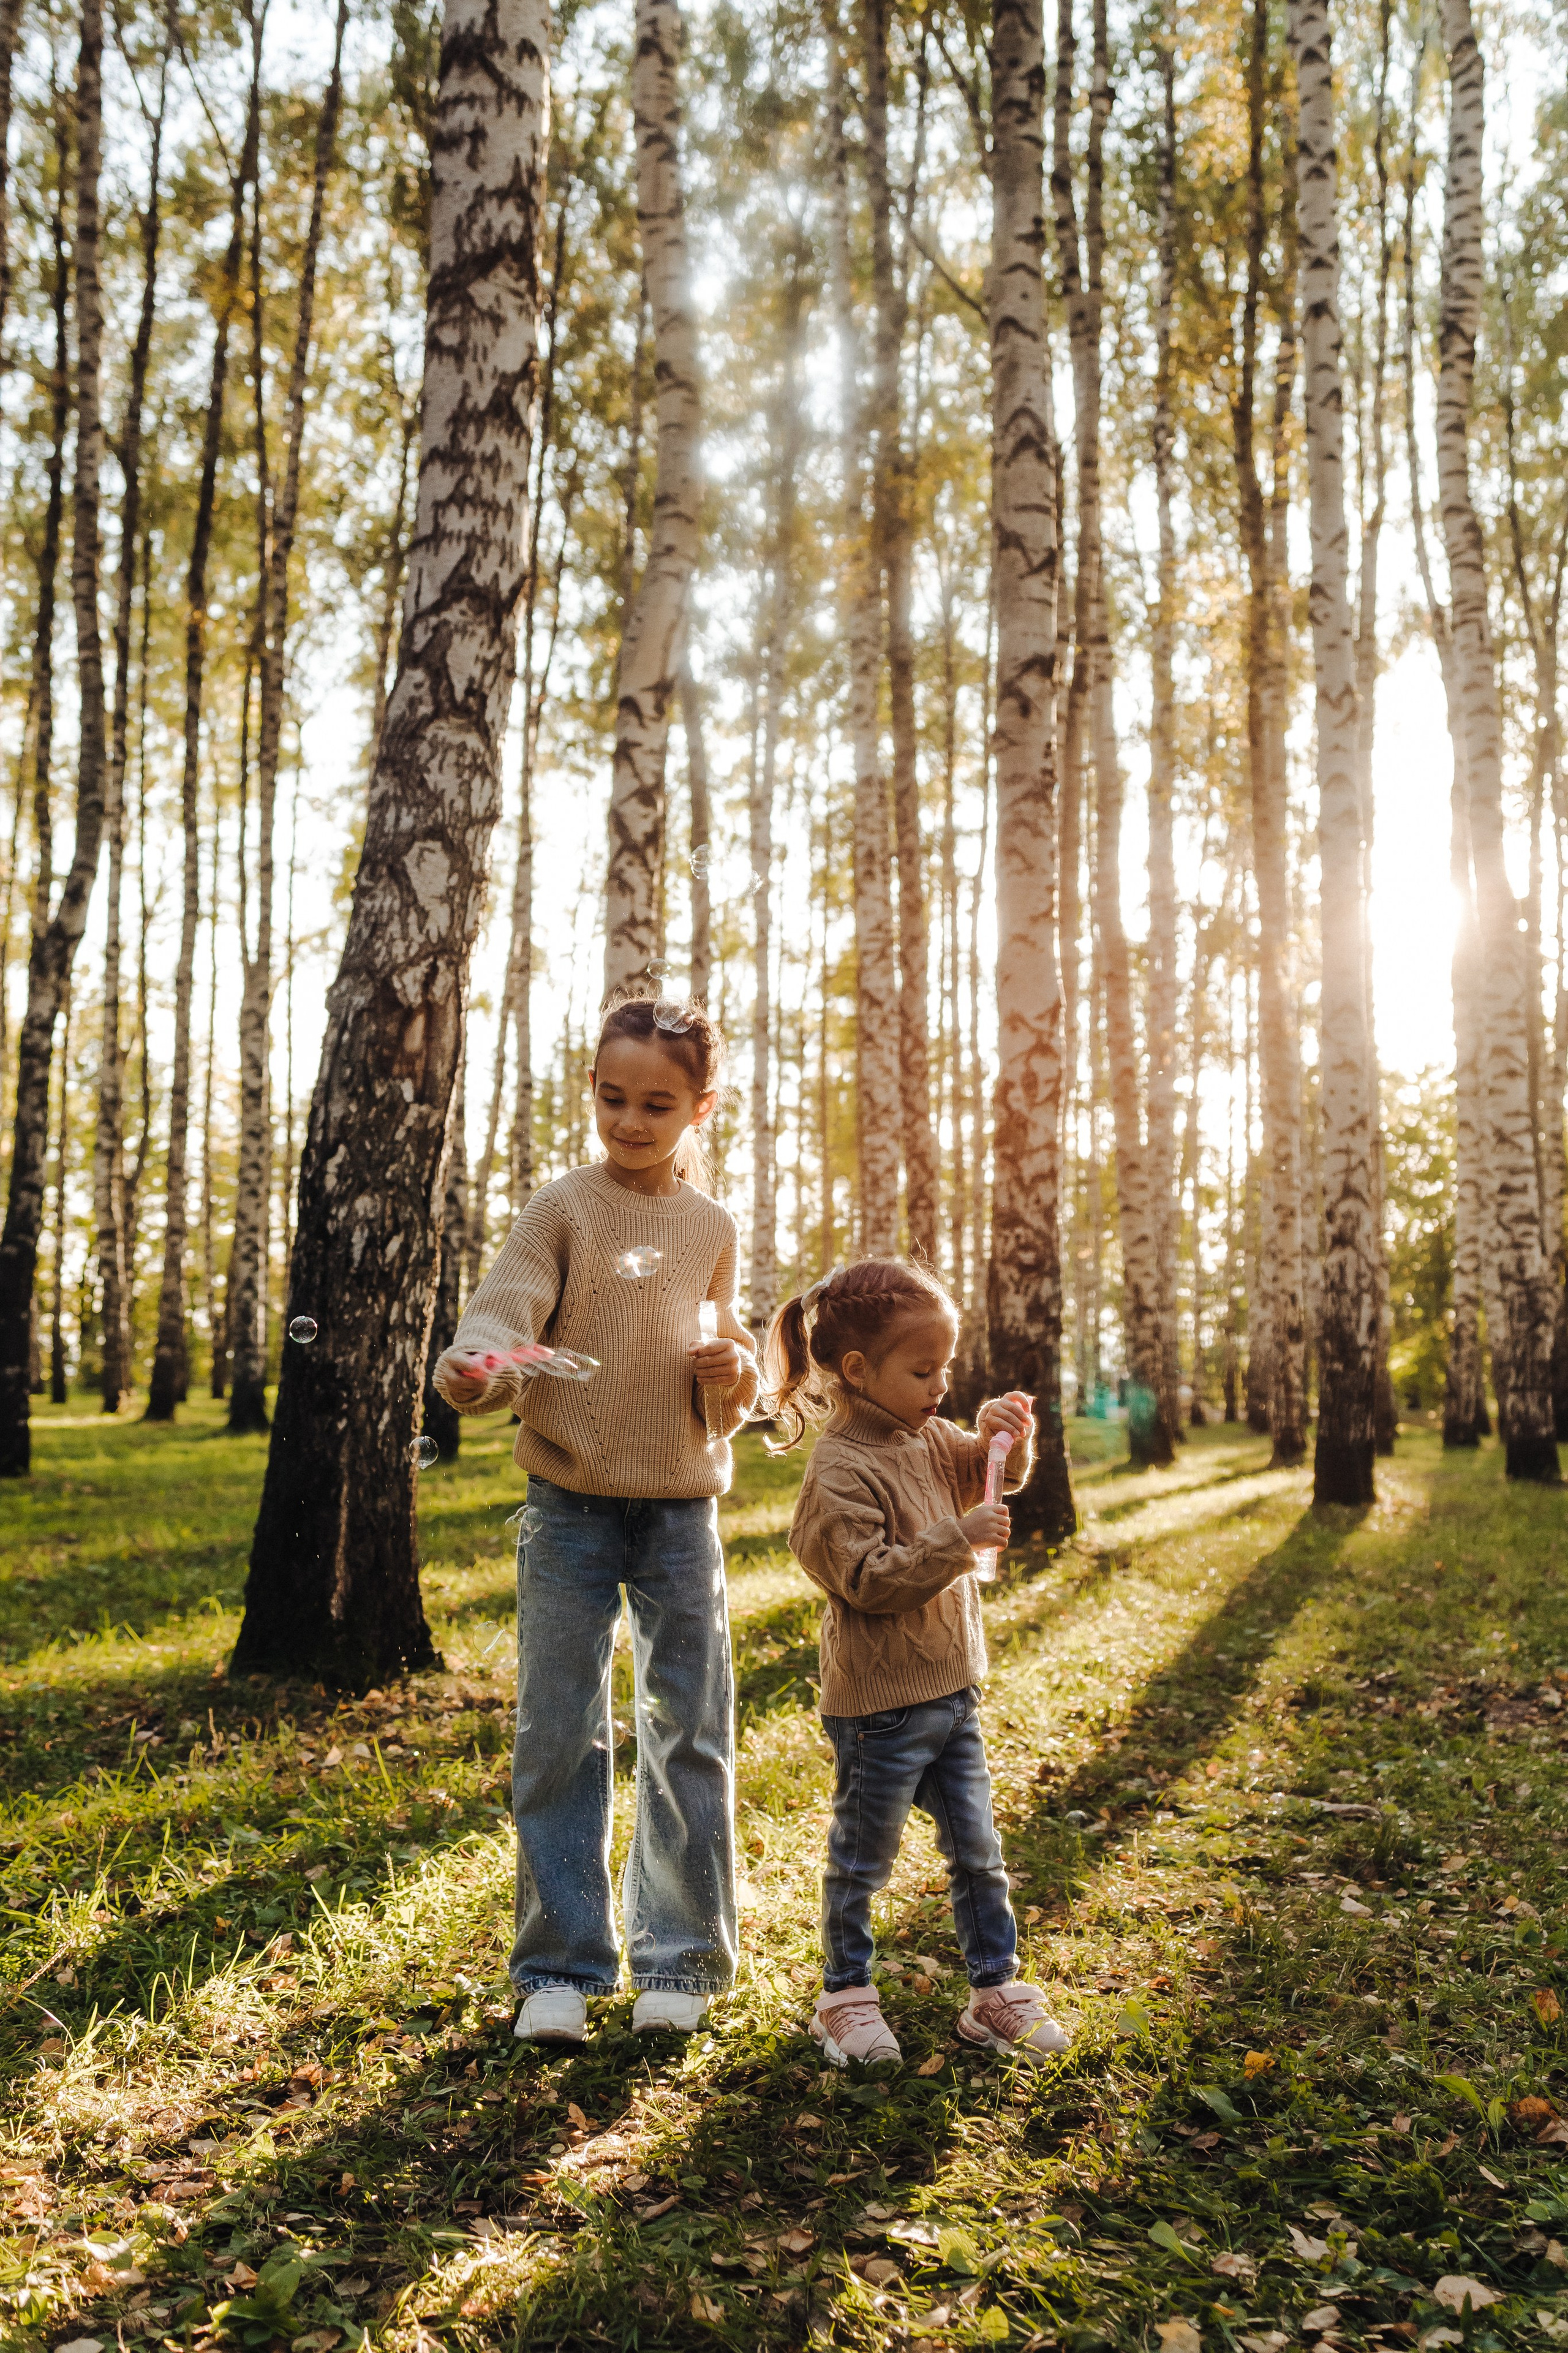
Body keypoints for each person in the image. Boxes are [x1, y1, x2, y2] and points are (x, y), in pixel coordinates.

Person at [434, 993, 758, 2046]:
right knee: (560, 1731)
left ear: (700, 1108)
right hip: (568, 1506)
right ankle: (560, 1968)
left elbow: (730, 1357)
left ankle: (682, 1958)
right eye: (614, 1098)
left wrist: (735, 1371)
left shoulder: (712, 1225)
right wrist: (479, 1360)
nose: (631, 1120)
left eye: (657, 1103)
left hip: (679, 1514)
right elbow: (508, 1306)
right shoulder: (562, 1207)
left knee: (691, 1731)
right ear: (594, 1091)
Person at [765, 1258, 1069, 2069]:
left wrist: (1009, 1437)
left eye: (948, 1367)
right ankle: (844, 1997)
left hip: (954, 1689)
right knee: (865, 1858)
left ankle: (993, 1990)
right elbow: (866, 1580)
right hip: (880, 1708)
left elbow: (988, 1477)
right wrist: (957, 1538)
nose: (942, 1385)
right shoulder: (838, 1471)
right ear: (859, 1371)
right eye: (924, 1369)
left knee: (979, 1850)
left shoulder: (931, 1434)